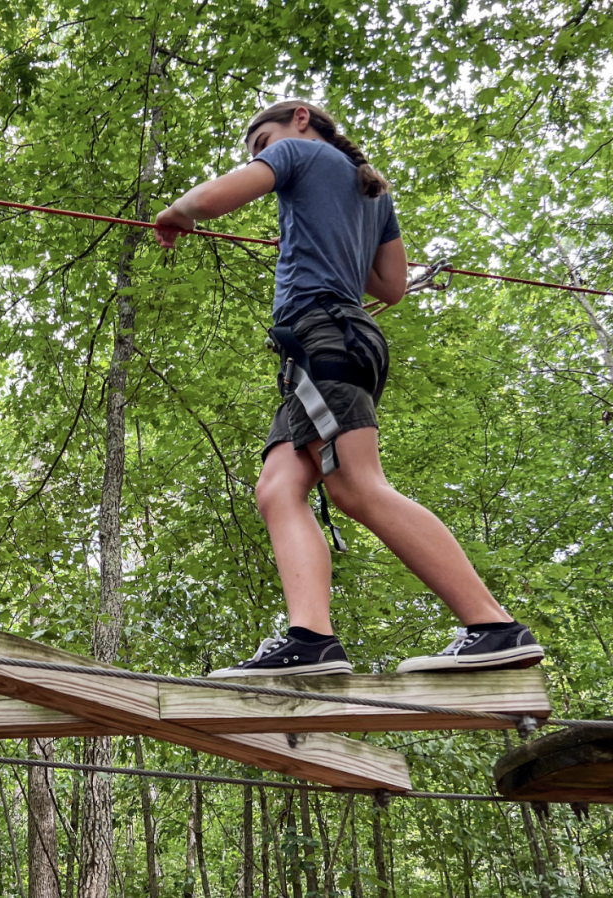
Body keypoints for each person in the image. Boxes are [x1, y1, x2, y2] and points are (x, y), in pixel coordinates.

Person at [153, 100, 544, 677]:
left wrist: (177, 212)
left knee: (357, 487)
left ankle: (493, 626)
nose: (260, 154)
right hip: (328, 346)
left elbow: (210, 201)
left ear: (301, 118)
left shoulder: (297, 152)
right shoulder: (371, 193)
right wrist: (316, 241)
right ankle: (310, 638)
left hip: (324, 336)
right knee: (277, 486)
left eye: (262, 141)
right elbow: (391, 286)